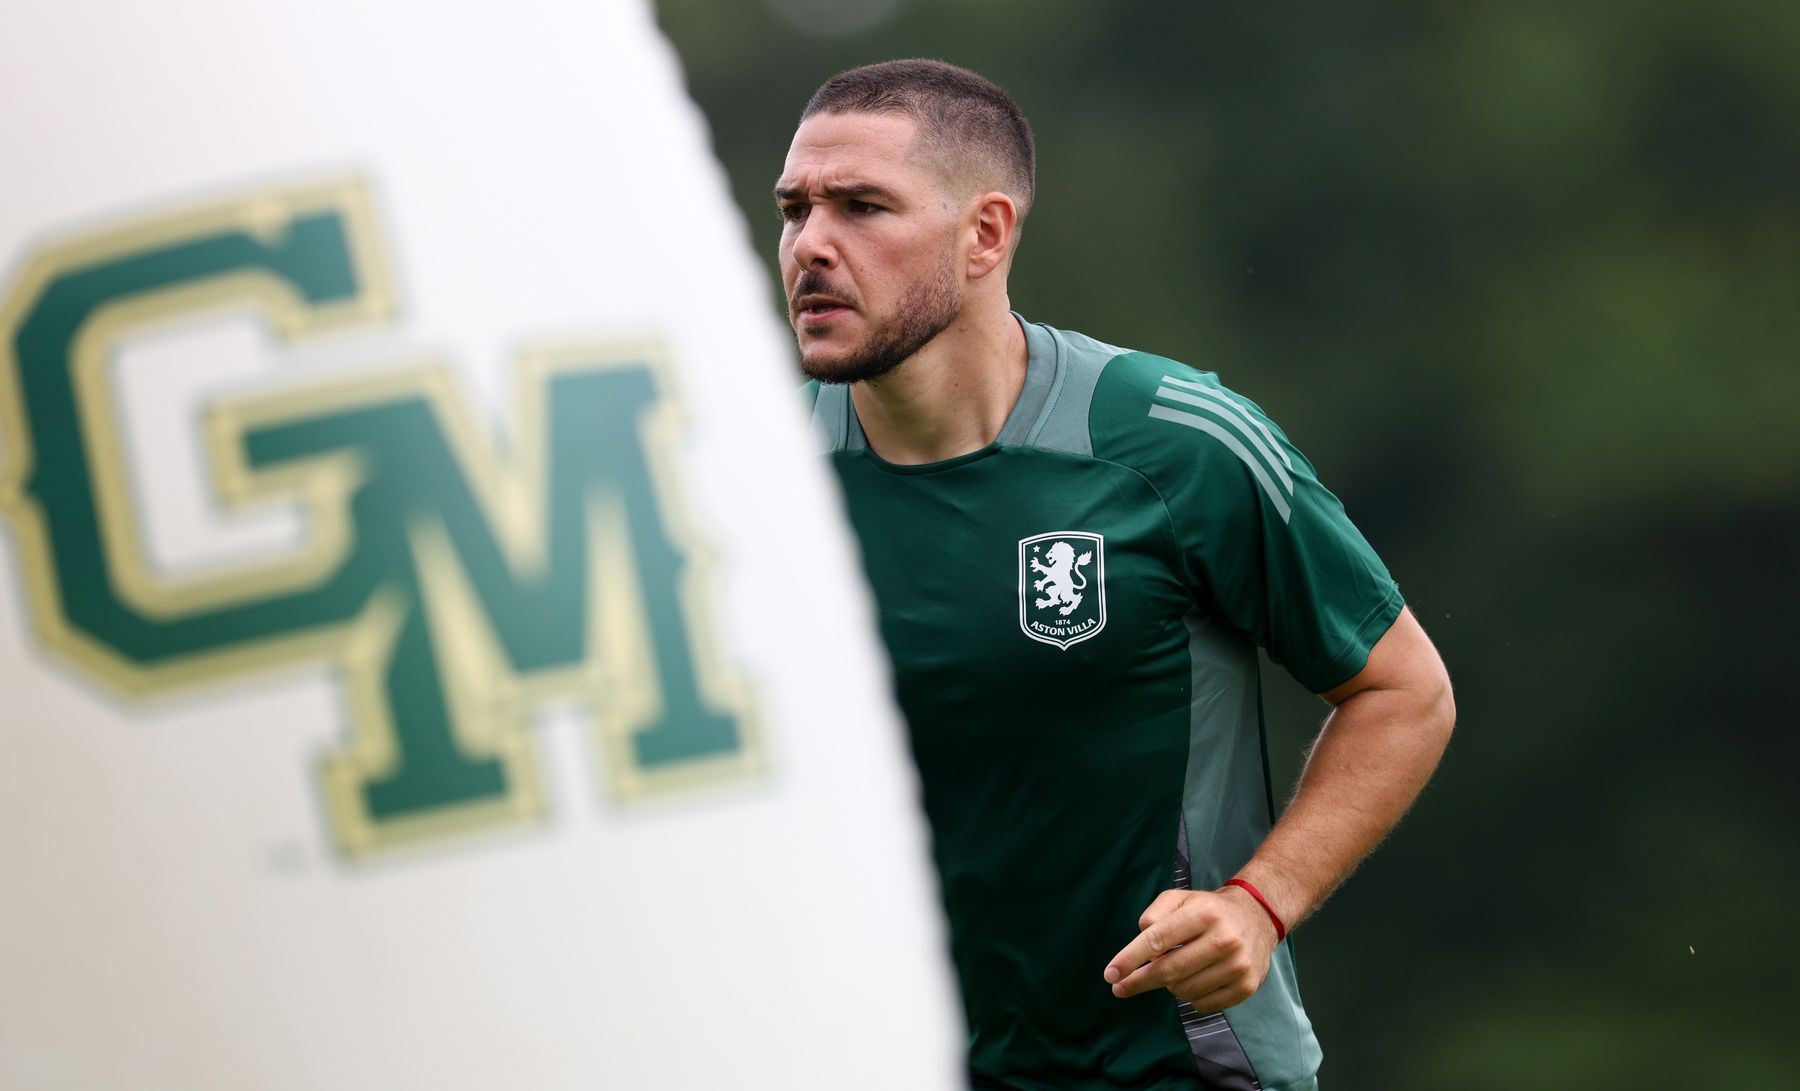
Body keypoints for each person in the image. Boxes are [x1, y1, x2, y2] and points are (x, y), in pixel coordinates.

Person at [780, 59, 1456, 1091]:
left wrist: (1259, 901)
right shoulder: (754, 474)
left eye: (862, 206)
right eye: (794, 209)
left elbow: (1404, 689)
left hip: (1176, 1067)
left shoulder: (1173, 440)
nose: (811, 244)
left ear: (986, 234)